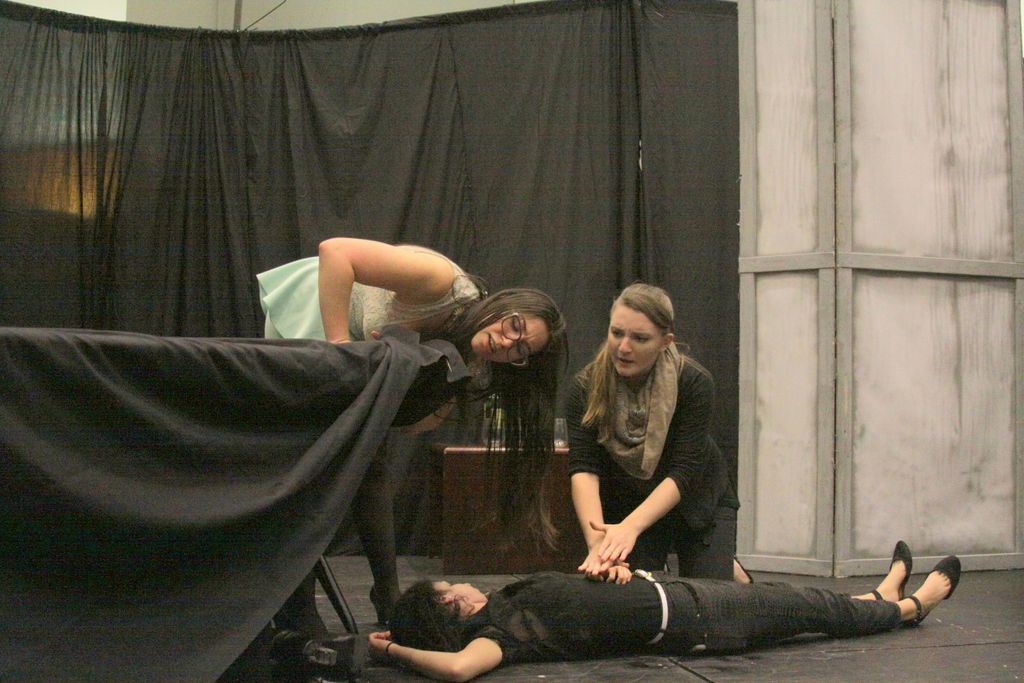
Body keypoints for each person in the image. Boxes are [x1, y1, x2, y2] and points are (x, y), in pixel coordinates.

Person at [257, 238, 568, 631]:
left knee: (372, 462)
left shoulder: (469, 355)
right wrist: (340, 349)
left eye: (520, 350)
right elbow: (335, 252)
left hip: (353, 354)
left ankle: (386, 593)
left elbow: (411, 424)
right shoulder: (441, 282)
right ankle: (299, 605)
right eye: (515, 326)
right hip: (316, 313)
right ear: (505, 306)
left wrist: (433, 400)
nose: (507, 342)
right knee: (310, 468)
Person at [369, 542, 961, 681]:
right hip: (698, 622)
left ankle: (878, 598)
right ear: (450, 604)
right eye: (451, 586)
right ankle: (910, 606)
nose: (462, 582)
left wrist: (609, 574)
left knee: (804, 604)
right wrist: (392, 649)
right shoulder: (498, 634)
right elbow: (457, 670)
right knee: (802, 606)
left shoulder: (506, 602)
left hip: (676, 595)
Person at [567, 283, 742, 583]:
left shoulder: (693, 382)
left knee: (709, 599)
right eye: (617, 333)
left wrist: (630, 528)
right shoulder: (585, 387)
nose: (623, 347)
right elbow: (584, 469)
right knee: (630, 589)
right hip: (631, 501)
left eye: (640, 338)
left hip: (696, 499)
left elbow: (684, 471)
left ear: (665, 341)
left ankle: (728, 570)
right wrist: (599, 544)